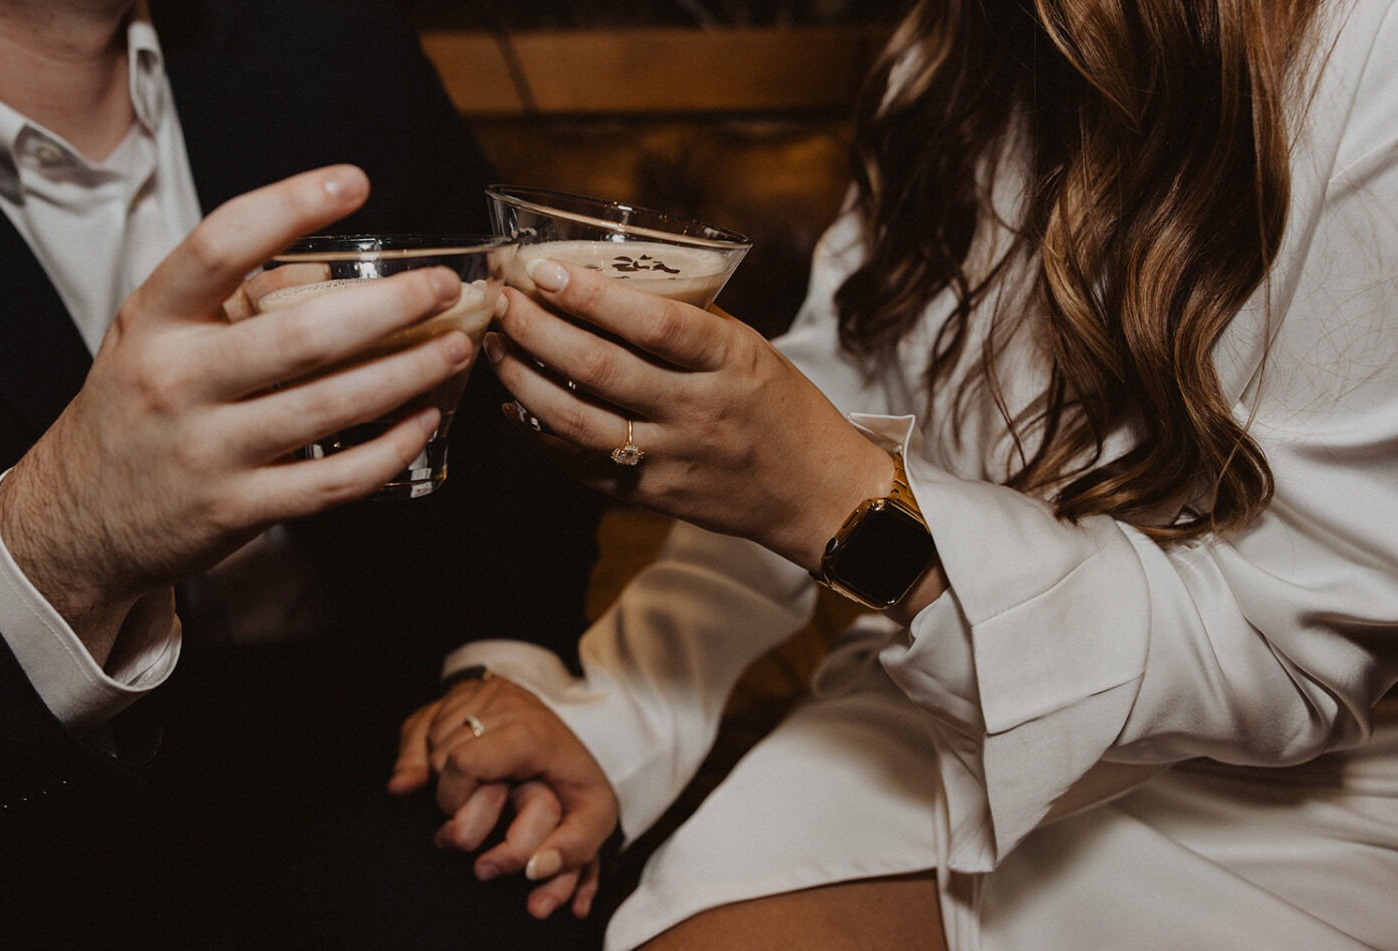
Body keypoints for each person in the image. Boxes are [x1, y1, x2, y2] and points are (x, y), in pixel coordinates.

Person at [394, 0, 1398, 947]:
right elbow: (839, 390)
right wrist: (628, 709)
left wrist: (844, 506)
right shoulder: (948, 52)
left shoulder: (1370, 60)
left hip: (1285, 810)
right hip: (932, 719)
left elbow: (1297, 660)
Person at [0, 0, 603, 945]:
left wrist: (505, 670)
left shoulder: (329, 41)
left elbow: (508, 423)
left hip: (384, 744)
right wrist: (63, 540)